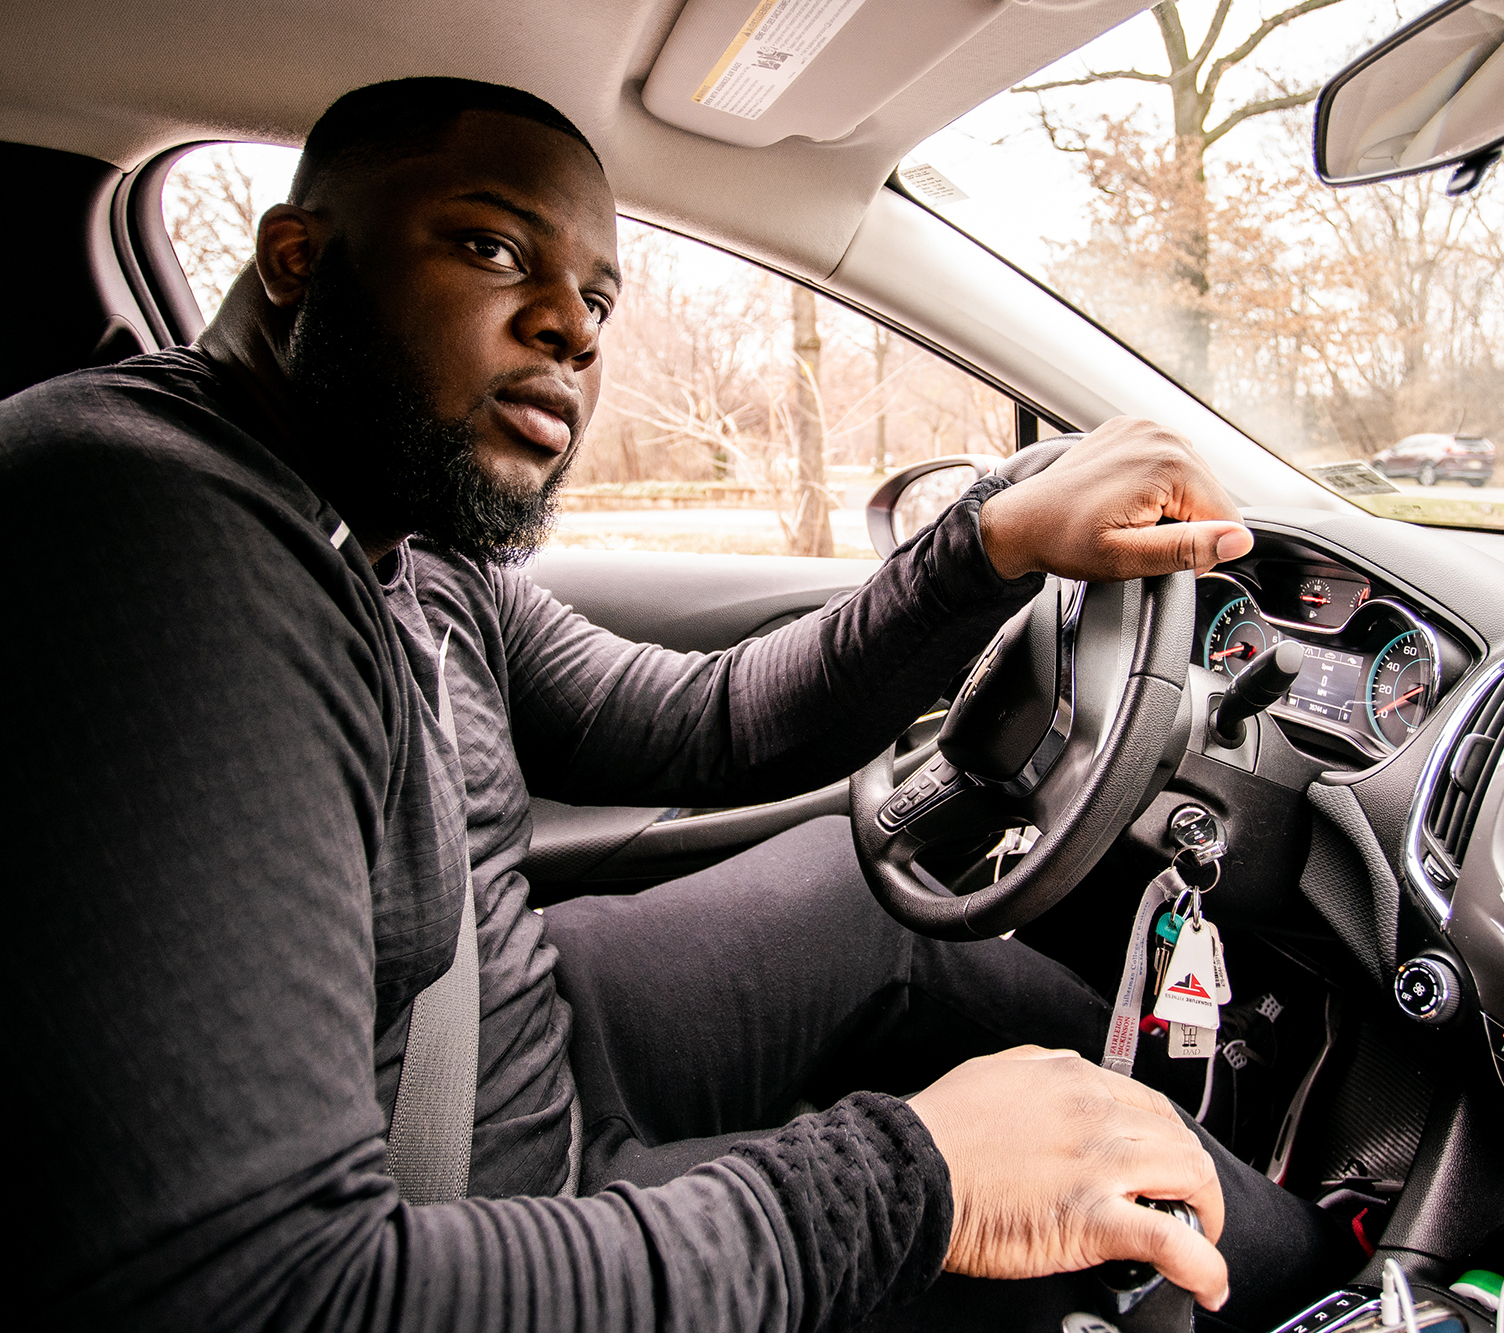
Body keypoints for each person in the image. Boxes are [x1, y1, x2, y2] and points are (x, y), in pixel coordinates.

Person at [4, 78, 1355, 1330]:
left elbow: (704, 722)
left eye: (599, 296)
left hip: (513, 1044)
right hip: (462, 1215)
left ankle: (1284, 1208)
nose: (571, 327)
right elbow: (265, 1289)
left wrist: (988, 540)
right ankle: (1342, 1291)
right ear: (297, 258)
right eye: (491, 248)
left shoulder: (402, 536)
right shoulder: (142, 525)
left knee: (866, 895)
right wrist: (916, 1178)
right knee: (1067, 1228)